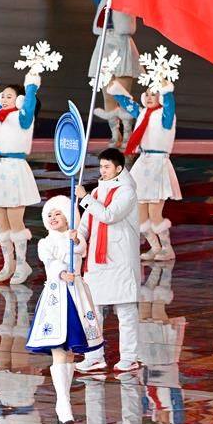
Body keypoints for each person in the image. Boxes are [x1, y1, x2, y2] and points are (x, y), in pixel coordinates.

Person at [26, 196, 103, 424]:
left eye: (58, 213)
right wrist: (61, 273)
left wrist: (75, 239)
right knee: (59, 348)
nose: (53, 218)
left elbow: (82, 250)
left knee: (69, 352)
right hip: (56, 297)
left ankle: (65, 397)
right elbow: (49, 264)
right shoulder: (44, 243)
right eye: (49, 215)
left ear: (68, 217)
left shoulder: (75, 238)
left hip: (76, 295)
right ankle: (62, 402)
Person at [75, 147, 142, 373]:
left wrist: (85, 198)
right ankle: (94, 356)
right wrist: (77, 237)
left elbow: (109, 215)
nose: (102, 170)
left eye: (107, 167)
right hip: (96, 261)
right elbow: (87, 224)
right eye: (101, 166)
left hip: (120, 261)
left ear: (119, 168)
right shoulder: (96, 192)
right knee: (92, 312)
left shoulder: (127, 192)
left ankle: (130, 357)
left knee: (126, 312)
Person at [0, 62, 41, 285]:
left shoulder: (23, 117)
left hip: (15, 170)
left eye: (9, 96)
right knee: (2, 225)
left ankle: (22, 265)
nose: (3, 99)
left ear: (19, 100)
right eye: (2, 95)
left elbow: (30, 101)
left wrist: (31, 83)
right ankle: (9, 264)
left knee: (15, 223)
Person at [108, 79, 180, 261]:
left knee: (155, 214)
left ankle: (167, 249)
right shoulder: (142, 113)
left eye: (153, 94)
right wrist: (114, 89)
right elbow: (127, 103)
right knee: (140, 214)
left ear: (160, 97)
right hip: (143, 164)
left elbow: (169, 103)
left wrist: (166, 90)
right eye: (146, 94)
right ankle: (155, 247)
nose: (149, 97)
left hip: (158, 165)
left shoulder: (166, 116)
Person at [77, 0, 140, 147]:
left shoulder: (129, 2)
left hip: (122, 46)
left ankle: (128, 134)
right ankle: (115, 133)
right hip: (104, 46)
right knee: (108, 97)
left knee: (124, 96)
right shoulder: (102, 0)